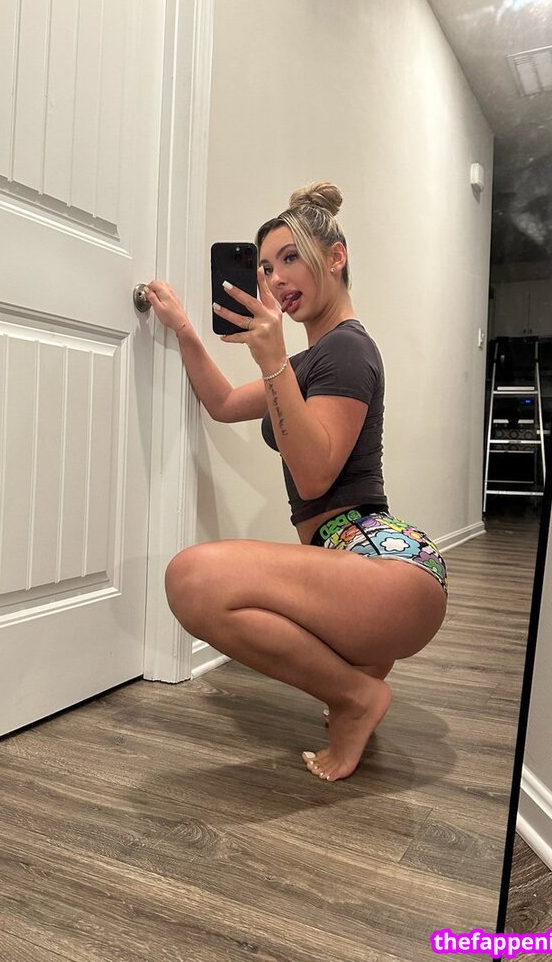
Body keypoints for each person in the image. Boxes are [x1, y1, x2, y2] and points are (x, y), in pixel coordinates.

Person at [145, 181, 448, 782]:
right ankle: (358, 683)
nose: (275, 278)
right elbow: (223, 404)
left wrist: (272, 359)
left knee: (191, 578)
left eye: (290, 258)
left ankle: (356, 697)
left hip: (388, 572)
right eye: (264, 267)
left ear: (335, 257)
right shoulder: (310, 361)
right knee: (206, 581)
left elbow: (314, 477)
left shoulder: (347, 350)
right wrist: (184, 329)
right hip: (361, 561)